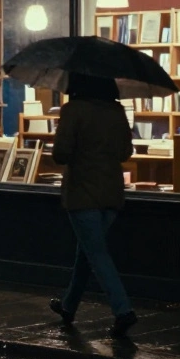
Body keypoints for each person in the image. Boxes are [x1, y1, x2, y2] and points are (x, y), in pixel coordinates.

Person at [47, 72, 138, 337]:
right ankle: (68, 306)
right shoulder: (116, 111)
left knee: (97, 253)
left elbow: (60, 154)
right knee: (87, 252)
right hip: (111, 191)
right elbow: (125, 152)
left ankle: (124, 311)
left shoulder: (73, 110)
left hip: (83, 192)